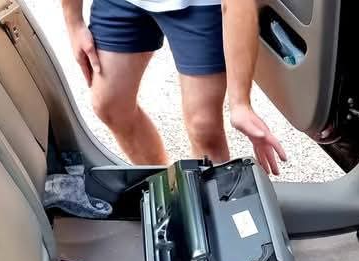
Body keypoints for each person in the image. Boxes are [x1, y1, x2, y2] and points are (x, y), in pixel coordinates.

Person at [61, 0, 288, 174]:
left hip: (198, 5)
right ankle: (167, 188)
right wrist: (73, 21)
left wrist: (240, 103)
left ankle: (209, 211)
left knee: (204, 128)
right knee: (110, 105)